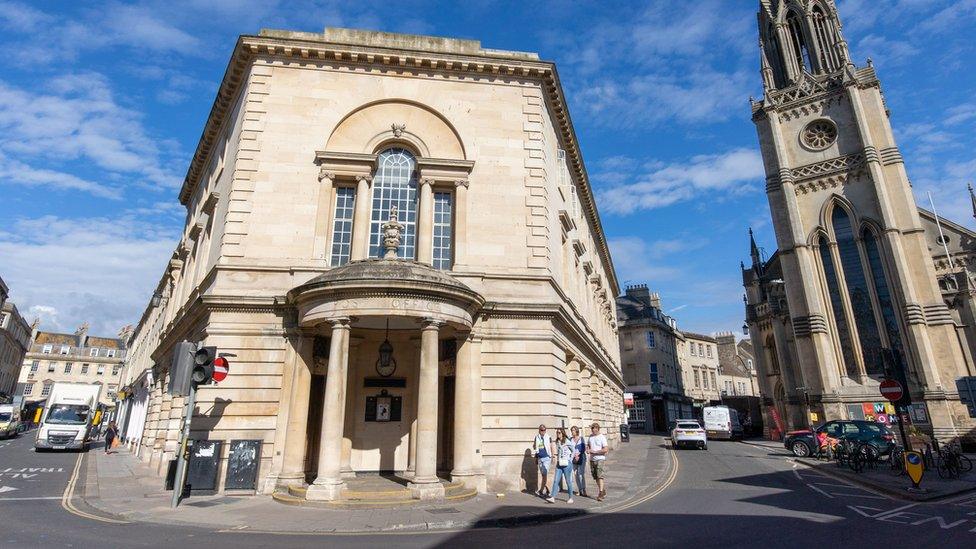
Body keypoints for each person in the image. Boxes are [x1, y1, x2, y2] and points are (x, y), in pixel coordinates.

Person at [547, 428, 575, 503]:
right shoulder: (558, 441)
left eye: (559, 432)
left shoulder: (567, 441)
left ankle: (571, 498)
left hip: (566, 464)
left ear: (562, 433)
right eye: (557, 433)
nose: (558, 434)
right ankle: (552, 497)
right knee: (556, 480)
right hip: (559, 463)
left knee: (568, 481)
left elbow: (573, 450)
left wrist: (570, 459)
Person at [587, 422, 609, 501]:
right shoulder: (590, 437)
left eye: (594, 429)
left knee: (600, 475)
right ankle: (602, 490)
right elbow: (588, 445)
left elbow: (606, 449)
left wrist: (595, 452)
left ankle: (600, 493)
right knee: (595, 476)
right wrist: (588, 449)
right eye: (592, 429)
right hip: (592, 459)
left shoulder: (602, 437)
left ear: (598, 429)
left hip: (600, 458)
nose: (593, 430)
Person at [533, 424, 554, 497]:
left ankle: (543, 490)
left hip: (546, 458)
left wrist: (553, 456)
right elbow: (535, 448)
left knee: (544, 474)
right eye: (542, 430)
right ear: (539, 430)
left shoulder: (548, 437)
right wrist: (536, 458)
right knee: (543, 475)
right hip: (540, 457)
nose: (543, 432)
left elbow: (551, 446)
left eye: (544, 430)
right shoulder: (537, 437)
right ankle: (546, 490)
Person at [570, 425, 588, 497]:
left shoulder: (581, 439)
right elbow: (569, 448)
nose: (572, 432)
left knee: (581, 474)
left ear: (576, 431)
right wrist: (574, 455)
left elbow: (583, 448)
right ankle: (579, 490)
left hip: (581, 458)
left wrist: (578, 454)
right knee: (576, 474)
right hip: (573, 459)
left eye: (573, 430)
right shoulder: (570, 439)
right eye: (571, 430)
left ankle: (584, 489)